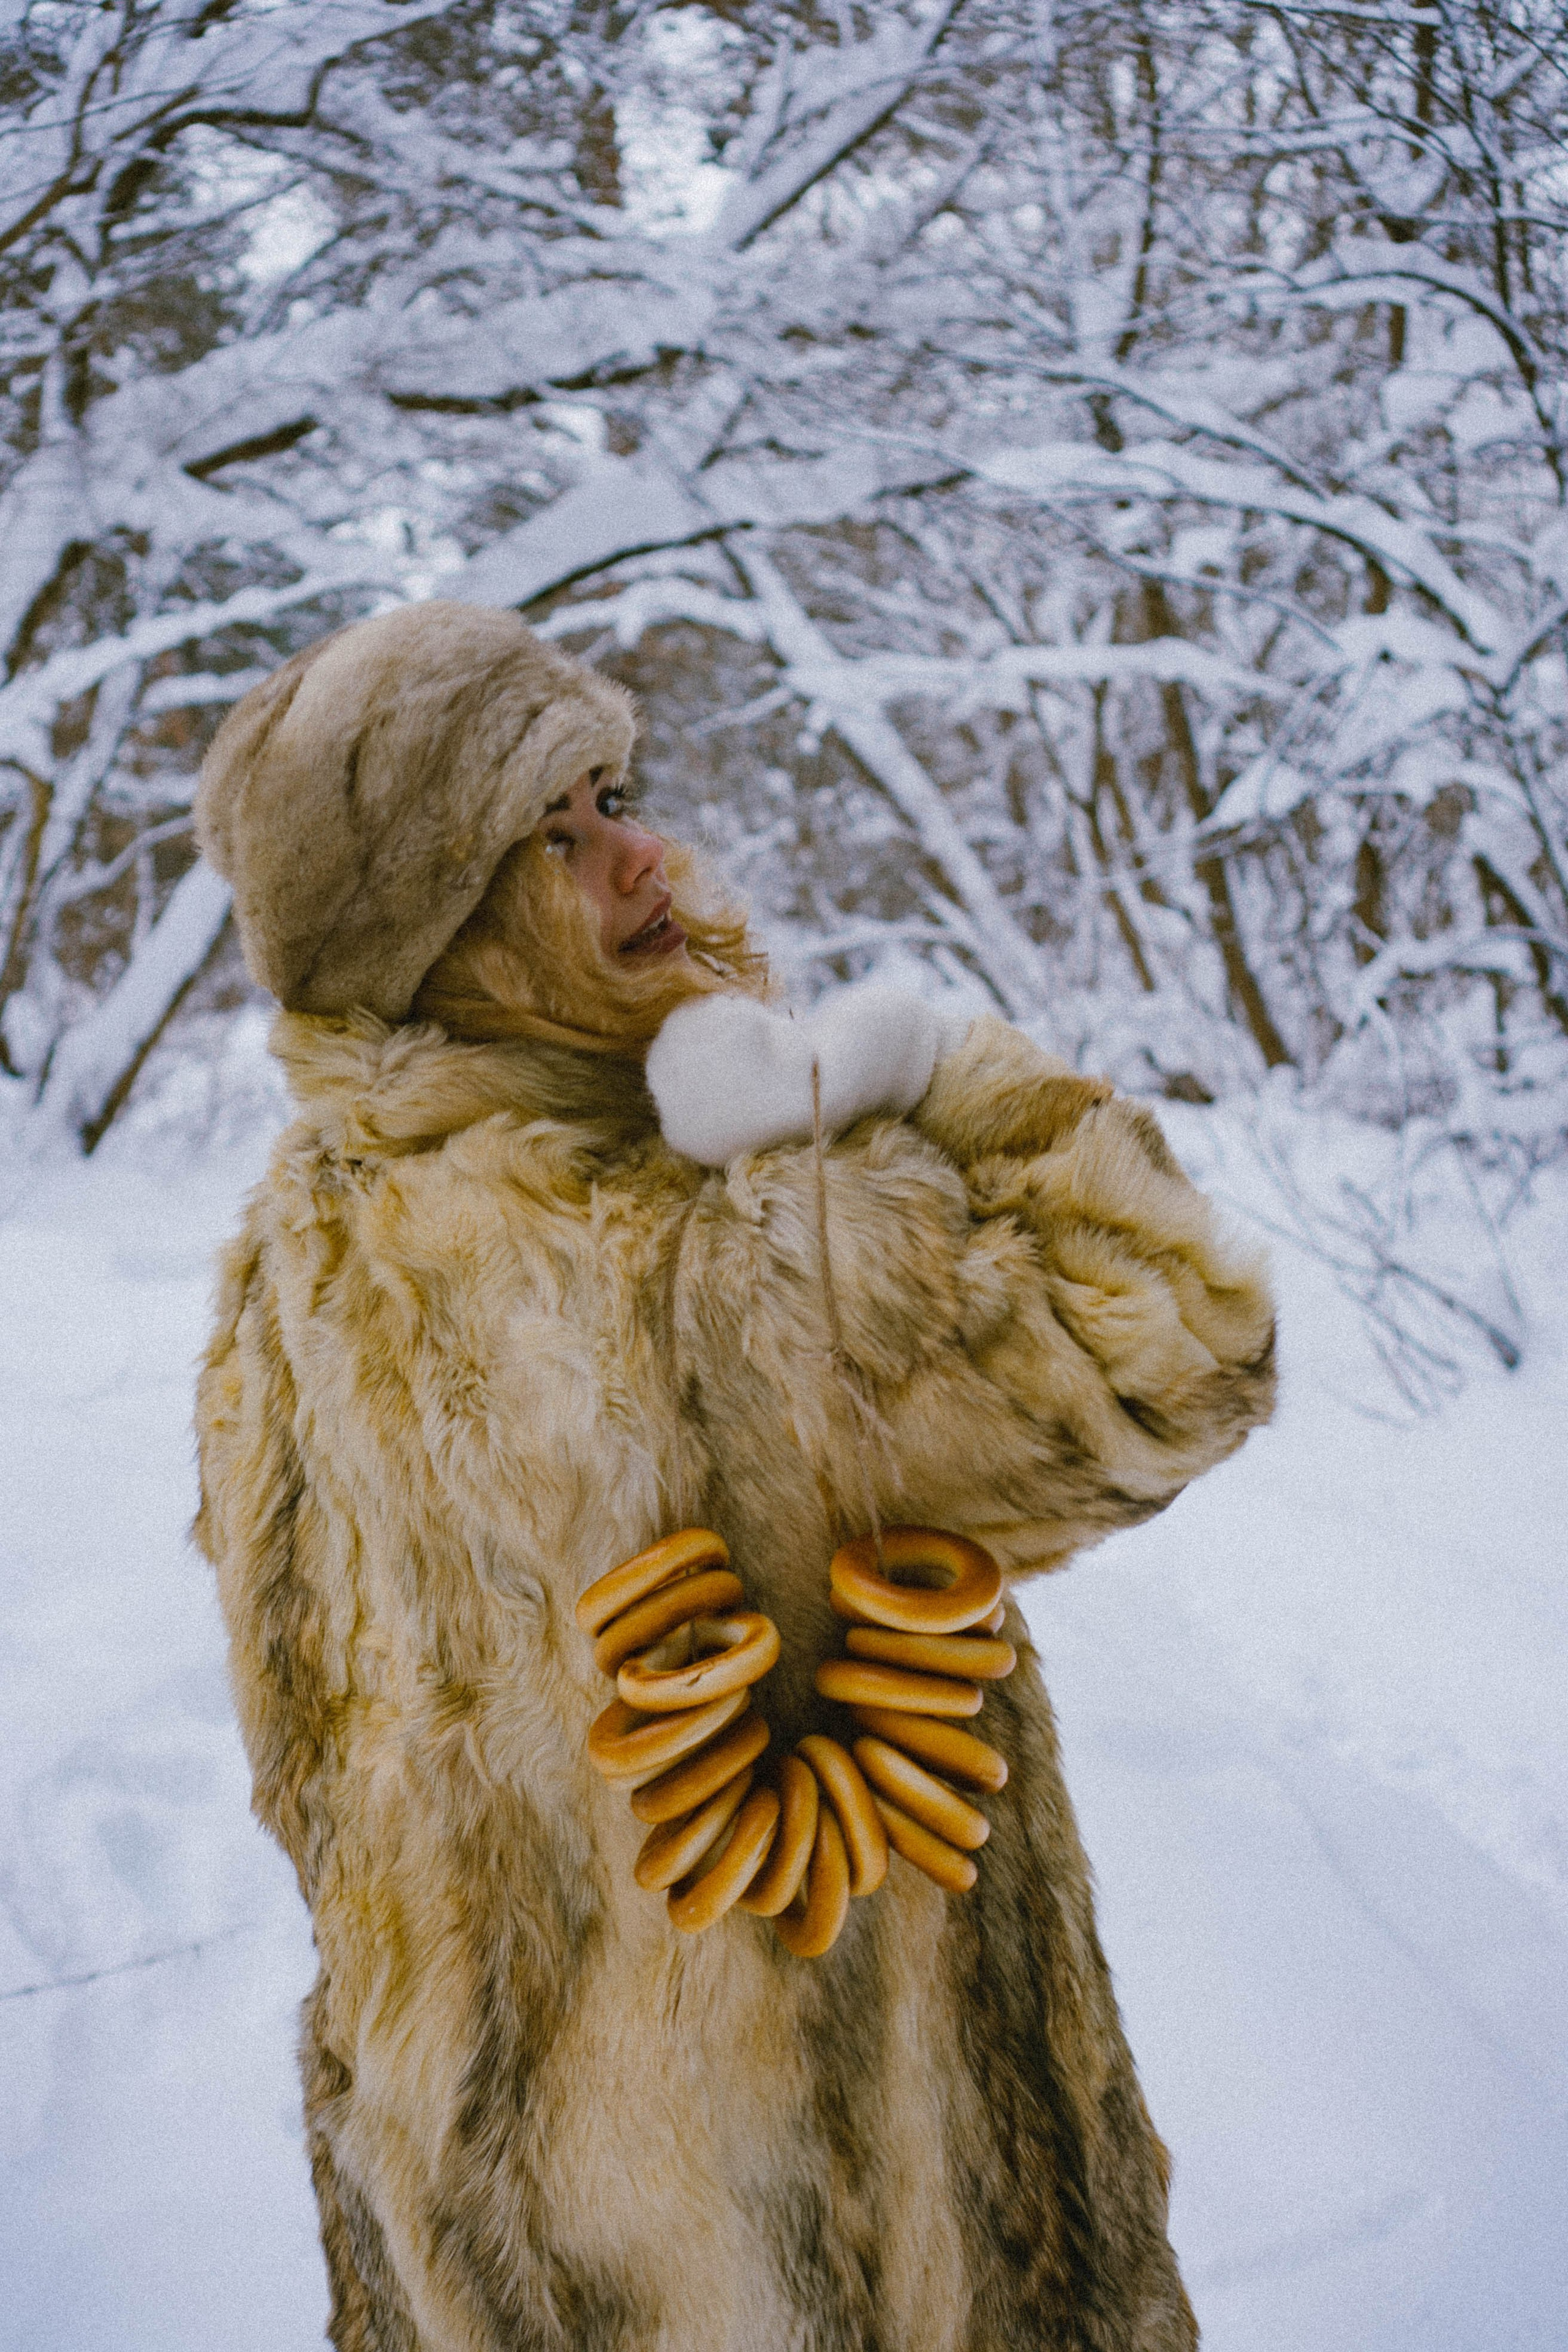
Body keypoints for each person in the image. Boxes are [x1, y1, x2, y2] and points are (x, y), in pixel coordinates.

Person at [193, 600, 1275, 2352]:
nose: (645, 855)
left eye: (614, 792)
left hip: (500, 2235)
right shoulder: (738, 1239)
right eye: (555, 839)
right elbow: (1182, 1341)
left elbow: (311, 1768)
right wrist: (926, 1067)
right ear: (436, 933)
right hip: (858, 2236)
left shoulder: (295, 1252)